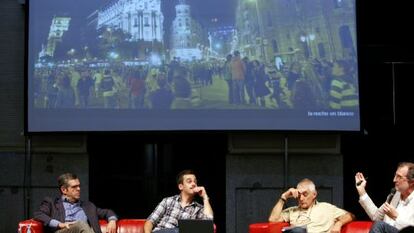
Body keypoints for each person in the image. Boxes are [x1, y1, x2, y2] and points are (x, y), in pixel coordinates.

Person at [34, 173, 117, 233]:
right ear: (64, 190)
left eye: (79, 186)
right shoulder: (51, 203)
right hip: (63, 231)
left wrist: (112, 221)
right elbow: (38, 214)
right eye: (74, 187)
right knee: (80, 224)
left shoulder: (88, 206)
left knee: (84, 226)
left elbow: (107, 212)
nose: (78, 189)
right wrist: (60, 224)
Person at [268, 178, 354, 233]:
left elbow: (350, 215)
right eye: (299, 195)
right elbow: (273, 219)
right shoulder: (292, 211)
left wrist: (338, 224)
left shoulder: (326, 207)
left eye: (305, 194)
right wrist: (284, 197)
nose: (301, 198)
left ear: (314, 194)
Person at [144, 169, 214, 233]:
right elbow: (150, 221)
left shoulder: (198, 208)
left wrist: (205, 197)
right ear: (181, 186)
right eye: (189, 181)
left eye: (195, 182)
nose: (193, 184)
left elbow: (208, 224)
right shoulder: (168, 201)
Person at [355, 162, 414, 233]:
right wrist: (362, 190)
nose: (394, 180)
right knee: (379, 225)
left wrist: (396, 217)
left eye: (399, 177)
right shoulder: (394, 195)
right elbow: (376, 217)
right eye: (395, 175)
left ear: (411, 182)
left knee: (380, 226)